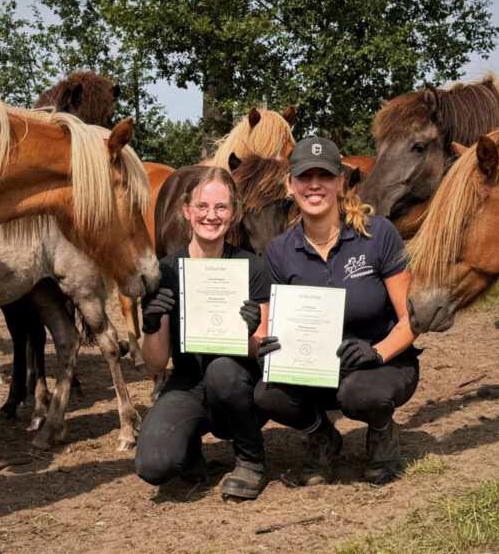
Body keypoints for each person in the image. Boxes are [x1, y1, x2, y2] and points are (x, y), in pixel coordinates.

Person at [254, 136, 417, 485]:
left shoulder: (378, 234)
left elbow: (411, 320)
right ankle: (322, 435)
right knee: (267, 392)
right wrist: (264, 344)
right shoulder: (279, 251)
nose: (314, 185)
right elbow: (271, 326)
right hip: (316, 367)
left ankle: (382, 432)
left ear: (341, 182)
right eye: (304, 176)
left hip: (382, 364)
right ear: (289, 185)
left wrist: (377, 352)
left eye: (325, 176)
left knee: (360, 393)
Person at [134, 166, 272, 500]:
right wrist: (151, 324)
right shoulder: (165, 270)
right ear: (187, 211)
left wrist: (251, 332)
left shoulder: (253, 267)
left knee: (222, 370)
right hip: (188, 381)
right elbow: (155, 364)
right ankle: (189, 445)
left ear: (234, 214)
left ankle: (250, 459)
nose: (211, 216)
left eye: (221, 207)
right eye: (202, 207)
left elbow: (263, 347)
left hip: (238, 380)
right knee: (153, 465)